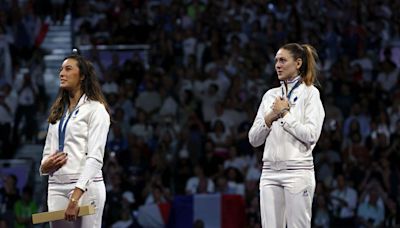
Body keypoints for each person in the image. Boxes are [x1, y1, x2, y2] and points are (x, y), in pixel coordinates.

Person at [248, 43, 325, 227]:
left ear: (298, 63)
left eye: (283, 60)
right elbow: (254, 139)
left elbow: (311, 135)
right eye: (276, 61)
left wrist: (285, 115)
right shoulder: (269, 96)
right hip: (269, 173)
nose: (277, 65)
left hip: (298, 172)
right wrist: (271, 116)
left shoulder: (310, 94)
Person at [39, 52, 111, 227]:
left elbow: (95, 157)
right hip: (56, 186)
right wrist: (44, 167)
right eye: (61, 69)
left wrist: (75, 196)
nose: (61, 73)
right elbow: (47, 152)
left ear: (82, 76)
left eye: (68, 69)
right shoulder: (57, 112)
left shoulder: (96, 110)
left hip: (86, 188)